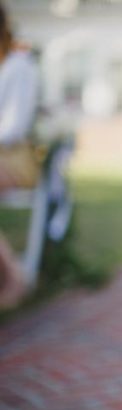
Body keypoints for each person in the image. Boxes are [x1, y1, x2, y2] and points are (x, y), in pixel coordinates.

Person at [0, 1, 40, 309]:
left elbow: (15, 125)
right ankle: (15, 274)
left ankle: (14, 275)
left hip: (13, 161)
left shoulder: (20, 65)